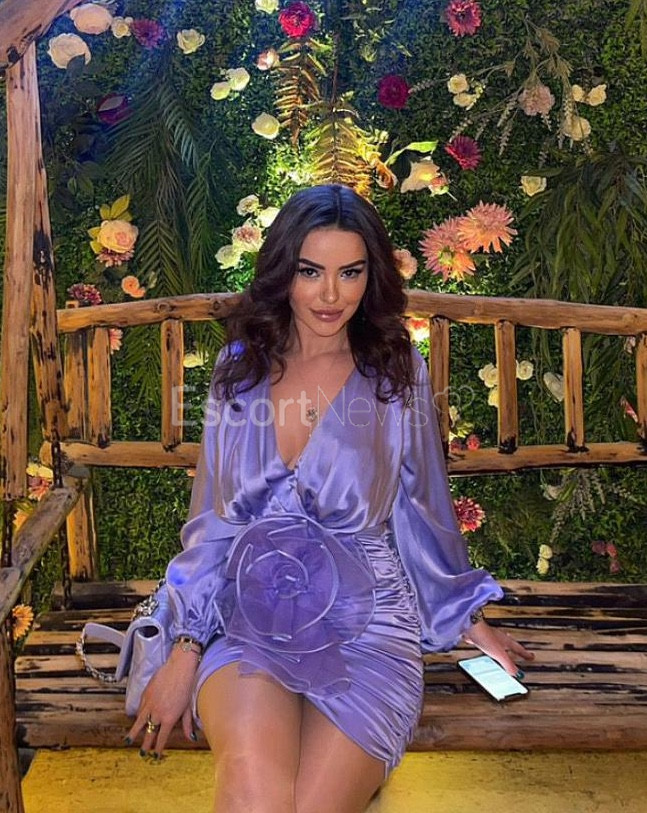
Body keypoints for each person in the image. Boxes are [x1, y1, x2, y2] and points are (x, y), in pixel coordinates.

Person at [125, 183, 535, 812]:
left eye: (350, 272)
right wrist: (185, 649)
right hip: (246, 615)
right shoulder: (239, 370)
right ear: (283, 272)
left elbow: (423, 509)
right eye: (310, 271)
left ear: (372, 277)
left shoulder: (397, 371)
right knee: (257, 796)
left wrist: (466, 617)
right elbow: (212, 524)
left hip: (367, 623)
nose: (330, 295)